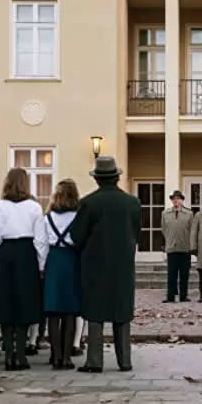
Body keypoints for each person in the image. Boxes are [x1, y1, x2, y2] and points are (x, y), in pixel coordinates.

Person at [69, 156, 141, 373]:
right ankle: (124, 360)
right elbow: (136, 233)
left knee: (95, 312)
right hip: (122, 264)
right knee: (122, 311)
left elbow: (77, 234)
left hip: (94, 264)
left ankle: (94, 360)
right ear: (117, 177)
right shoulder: (132, 203)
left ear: (97, 179)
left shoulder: (89, 203)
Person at [0, 168, 47, 371]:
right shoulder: (34, 207)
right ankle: (21, 355)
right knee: (24, 302)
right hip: (26, 252)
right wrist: (41, 265)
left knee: (6, 303)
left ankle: (8, 355)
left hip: (6, 252)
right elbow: (40, 239)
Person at [39, 179, 82, 370]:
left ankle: (55, 356)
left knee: (53, 311)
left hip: (53, 260)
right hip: (71, 259)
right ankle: (66, 357)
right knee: (70, 311)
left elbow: (41, 243)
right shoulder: (78, 217)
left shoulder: (47, 218)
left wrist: (41, 267)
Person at [160, 190, 193, 303]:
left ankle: (183, 296)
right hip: (171, 248)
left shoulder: (189, 214)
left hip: (185, 248)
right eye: (174, 199)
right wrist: (168, 241)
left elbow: (191, 230)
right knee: (171, 274)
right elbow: (164, 229)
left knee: (184, 274)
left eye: (178, 198)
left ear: (182, 200)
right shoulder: (165, 214)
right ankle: (170, 296)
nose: (176, 201)